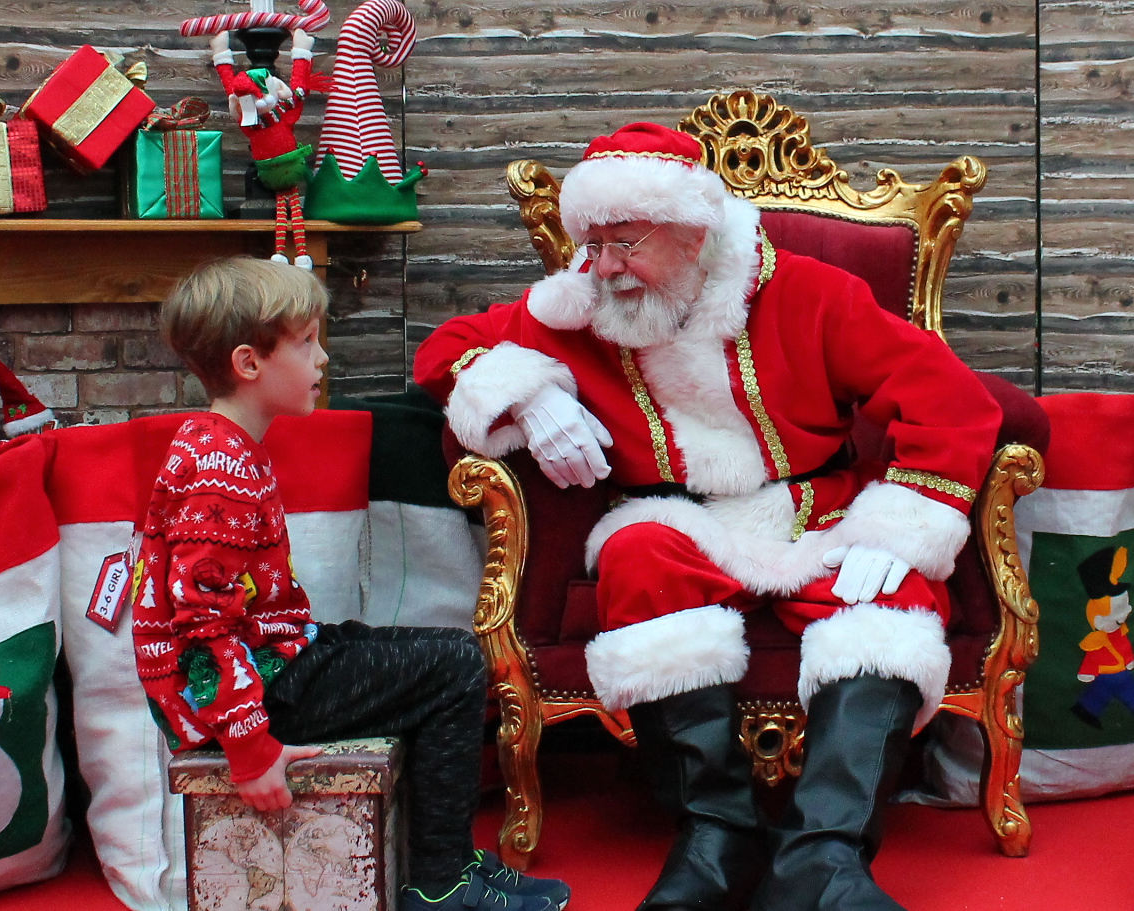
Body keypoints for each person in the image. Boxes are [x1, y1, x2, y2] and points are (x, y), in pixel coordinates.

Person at [413, 123, 1003, 911]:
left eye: (625, 242)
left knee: (892, 596)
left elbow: (946, 393)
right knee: (636, 560)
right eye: (594, 243)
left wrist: (905, 518)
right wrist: (527, 390)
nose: (604, 267)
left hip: (810, 515)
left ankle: (821, 859)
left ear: (694, 234)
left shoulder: (806, 290)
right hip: (673, 521)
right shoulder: (580, 300)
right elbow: (446, 351)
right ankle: (713, 835)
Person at [131, 257, 571, 911]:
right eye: (305, 343)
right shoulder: (216, 468)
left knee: (404, 653)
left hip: (280, 658)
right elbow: (201, 622)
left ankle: (444, 858)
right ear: (250, 364)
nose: (321, 358)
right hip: (258, 693)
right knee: (452, 663)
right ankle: (441, 883)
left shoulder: (223, 446)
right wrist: (249, 746)